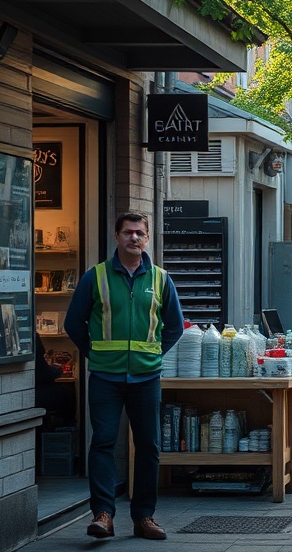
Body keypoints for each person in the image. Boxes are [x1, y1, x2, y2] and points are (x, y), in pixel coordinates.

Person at [64, 212, 183, 541]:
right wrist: (96, 354)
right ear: (116, 237)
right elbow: (74, 324)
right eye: (128, 232)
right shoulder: (96, 277)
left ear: (147, 239)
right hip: (105, 377)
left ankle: (144, 517)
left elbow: (174, 326)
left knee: (149, 446)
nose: (134, 238)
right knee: (102, 442)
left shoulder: (160, 279)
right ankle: (103, 514)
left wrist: (154, 354)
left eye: (139, 233)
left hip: (146, 378)